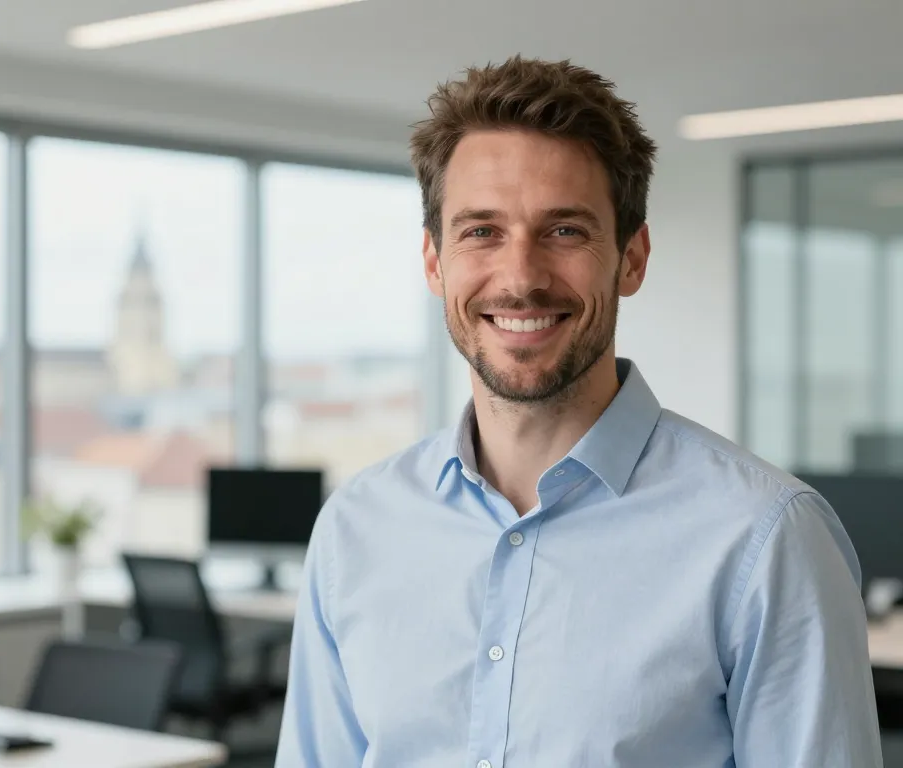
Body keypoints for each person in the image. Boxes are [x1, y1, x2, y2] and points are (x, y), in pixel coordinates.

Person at [275, 56, 883, 767]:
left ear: (631, 258)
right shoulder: (356, 531)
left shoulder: (765, 539)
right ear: (435, 261)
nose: (522, 277)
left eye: (564, 230)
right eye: (481, 231)